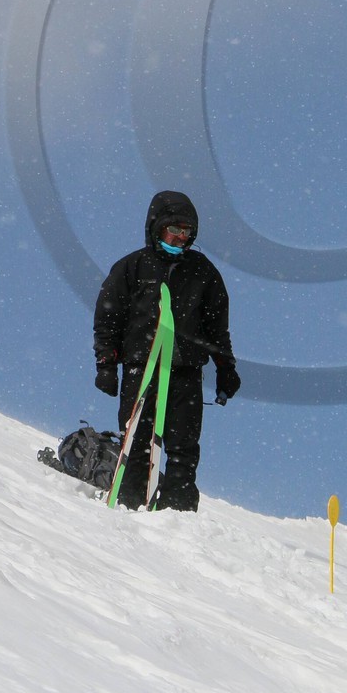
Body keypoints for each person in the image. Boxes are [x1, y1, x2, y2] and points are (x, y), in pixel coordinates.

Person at [93, 190, 240, 512]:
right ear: (156, 228)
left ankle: (178, 514)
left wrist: (226, 368)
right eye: (174, 229)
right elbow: (108, 318)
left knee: (184, 448)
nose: (181, 237)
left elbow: (217, 327)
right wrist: (106, 364)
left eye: (187, 232)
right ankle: (129, 505)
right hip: (141, 367)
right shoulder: (132, 267)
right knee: (137, 441)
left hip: (185, 370)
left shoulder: (203, 272)